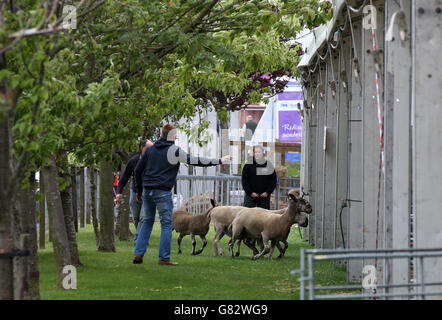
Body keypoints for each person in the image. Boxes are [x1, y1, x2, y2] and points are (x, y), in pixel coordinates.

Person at [133, 124, 232, 265]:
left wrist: (139, 190)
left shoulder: (151, 149)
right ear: (173, 136)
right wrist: (219, 161)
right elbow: (196, 160)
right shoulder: (174, 150)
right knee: (166, 224)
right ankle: (164, 258)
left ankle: (138, 254)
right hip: (162, 191)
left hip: (147, 190)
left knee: (148, 221)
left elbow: (137, 170)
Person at [115, 139, 153, 243]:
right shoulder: (134, 161)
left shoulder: (154, 161)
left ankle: (138, 239)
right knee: (136, 217)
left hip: (148, 192)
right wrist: (119, 192)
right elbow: (124, 177)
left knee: (143, 217)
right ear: (142, 148)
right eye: (148, 148)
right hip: (135, 192)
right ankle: (143, 237)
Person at [241, 145, 277, 210]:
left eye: (259, 152)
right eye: (255, 152)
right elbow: (244, 180)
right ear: (253, 153)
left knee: (264, 216)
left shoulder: (268, 165)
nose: (257, 154)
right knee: (247, 214)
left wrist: (267, 192)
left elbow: (273, 180)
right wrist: (250, 192)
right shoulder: (248, 165)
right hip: (250, 196)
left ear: (263, 153)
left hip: (264, 196)